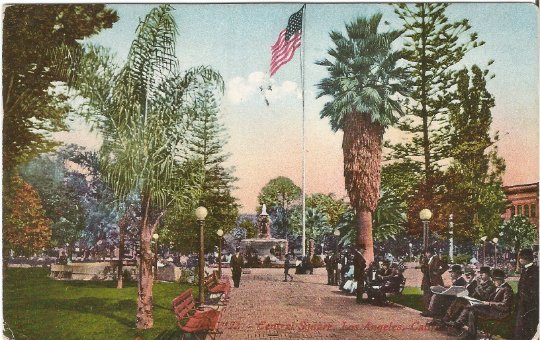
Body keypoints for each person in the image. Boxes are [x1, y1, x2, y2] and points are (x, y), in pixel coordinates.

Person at [448, 268, 513, 339]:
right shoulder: (499, 287)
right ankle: (470, 334)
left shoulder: (507, 289)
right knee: (472, 310)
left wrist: (488, 303)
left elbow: (505, 305)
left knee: (472, 309)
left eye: (494, 280)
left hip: (501, 313)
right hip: (494, 309)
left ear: (499, 280)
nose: (494, 282)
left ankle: (463, 329)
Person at [514, 248, 539, 340]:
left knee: (527, 326)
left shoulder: (534, 270)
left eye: (520, 258)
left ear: (525, 258)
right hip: (522, 302)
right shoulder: (525, 269)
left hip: (529, 304)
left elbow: (533, 289)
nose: (519, 260)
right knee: (521, 326)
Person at [420, 247, 449, 316]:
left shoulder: (436, 259)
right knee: (426, 295)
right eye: (425, 253)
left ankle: (432, 311)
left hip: (435, 280)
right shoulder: (427, 260)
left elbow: (446, 266)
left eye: (427, 252)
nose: (426, 254)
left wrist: (438, 272)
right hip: (427, 280)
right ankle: (427, 311)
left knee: (434, 295)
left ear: (430, 252)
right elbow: (424, 270)